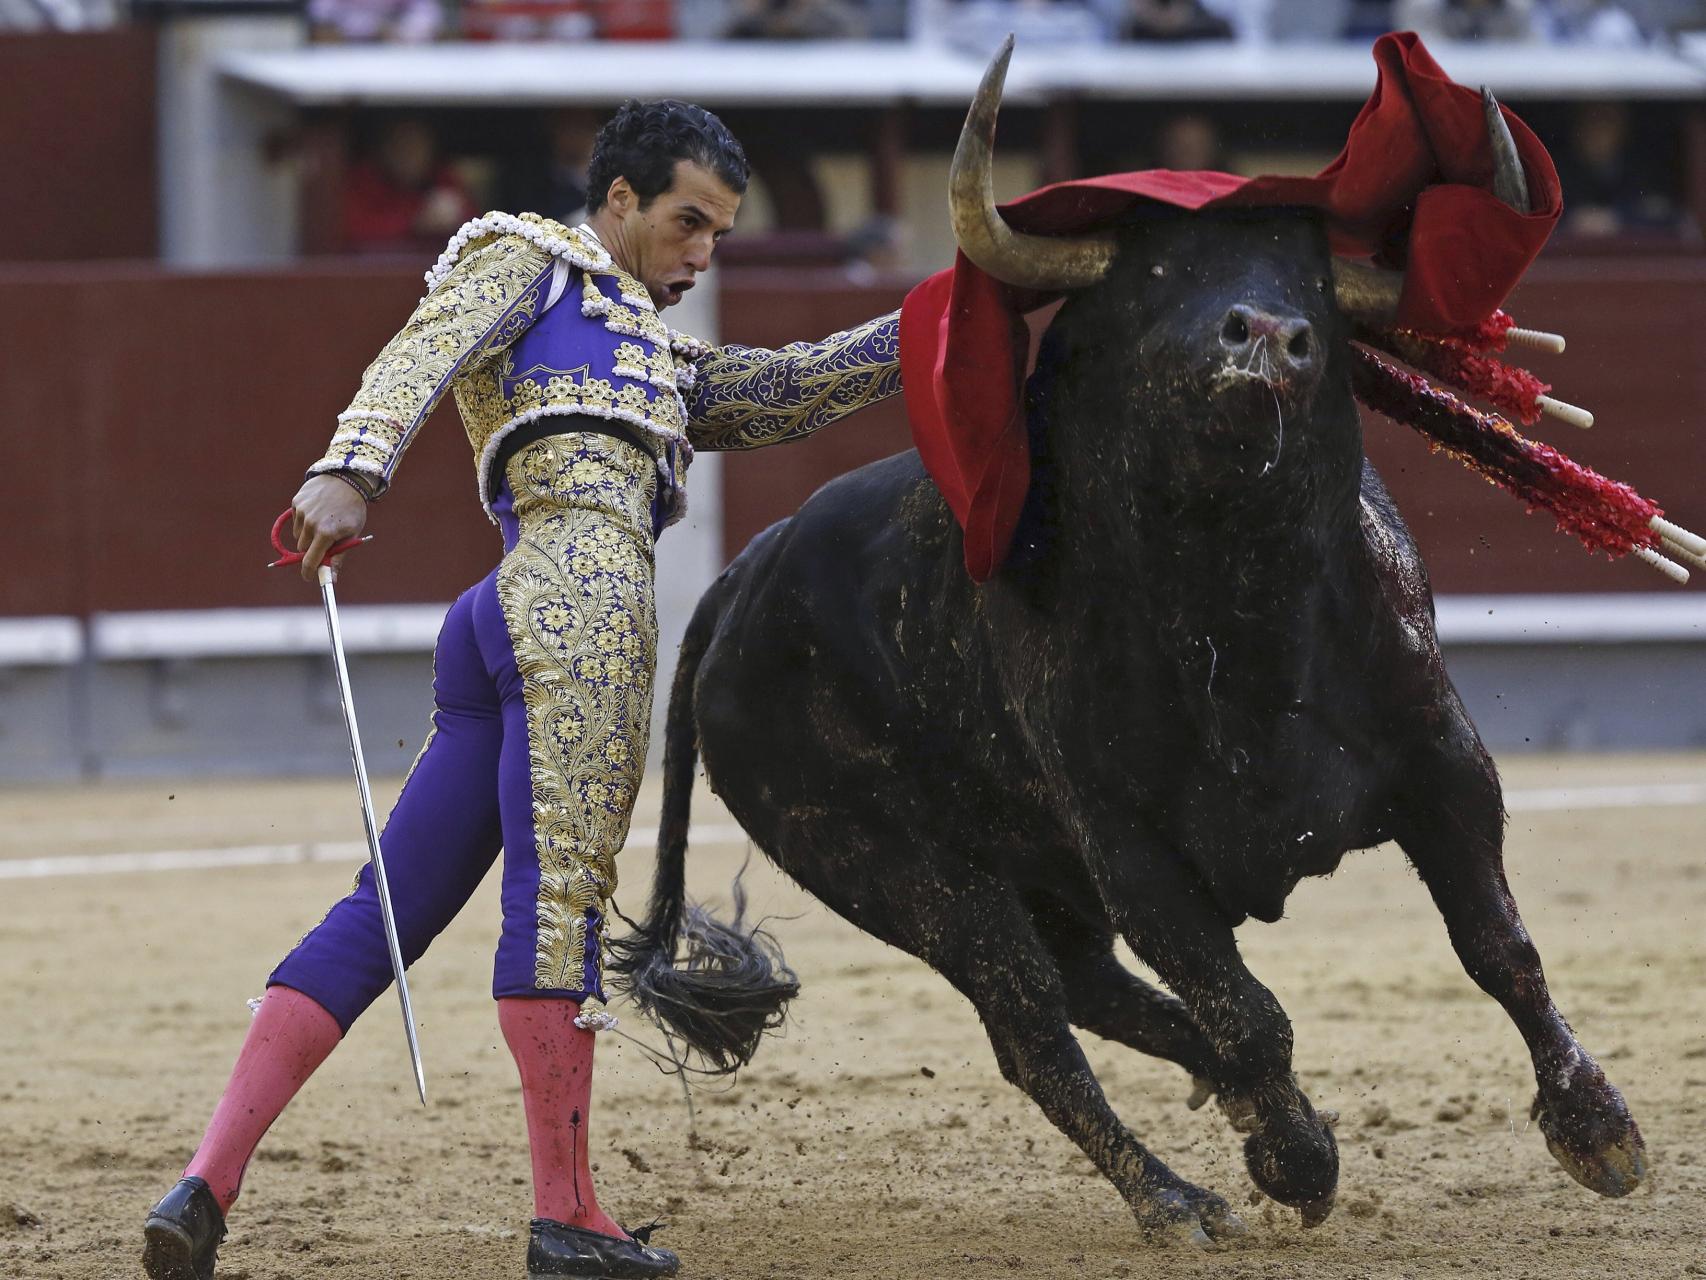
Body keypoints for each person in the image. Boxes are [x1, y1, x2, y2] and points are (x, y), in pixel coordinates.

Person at [141, 99, 901, 1280]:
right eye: (686, 222)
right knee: (558, 907)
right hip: (578, 599)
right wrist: (350, 467)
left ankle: (204, 1181)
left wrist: (935, 321)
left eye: (719, 232)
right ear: (617, 201)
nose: (703, 252)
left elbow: (785, 386)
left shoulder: (655, 356)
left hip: (496, 617)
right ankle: (567, 1214)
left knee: (386, 908)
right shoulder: (530, 257)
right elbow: (426, 344)